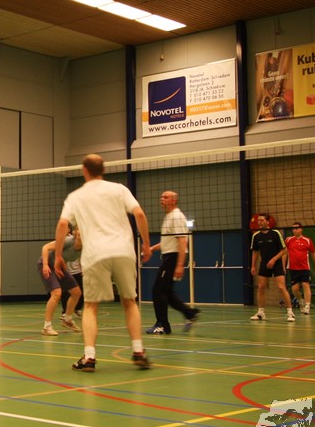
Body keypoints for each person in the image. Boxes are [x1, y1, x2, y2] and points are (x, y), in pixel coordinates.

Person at [54, 154, 152, 372]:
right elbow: (139, 214)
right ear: (103, 169)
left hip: (95, 254)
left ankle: (89, 357)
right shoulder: (119, 189)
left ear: (84, 170)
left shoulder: (75, 196)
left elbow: (62, 224)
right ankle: (138, 351)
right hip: (124, 251)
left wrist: (58, 255)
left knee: (90, 306)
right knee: (130, 302)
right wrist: (146, 244)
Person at [147, 190, 200, 334]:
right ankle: (190, 313)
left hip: (173, 258)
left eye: (165, 197)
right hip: (169, 256)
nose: (162, 199)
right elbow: (168, 241)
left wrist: (179, 265)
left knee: (158, 291)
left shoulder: (176, 216)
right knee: (167, 292)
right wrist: (152, 248)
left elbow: (182, 240)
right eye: (161, 197)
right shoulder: (169, 216)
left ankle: (162, 325)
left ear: (174, 200)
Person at [37, 227, 82, 336]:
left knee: (76, 292)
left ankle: (67, 319)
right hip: (47, 264)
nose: (81, 232)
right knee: (56, 293)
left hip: (59, 266)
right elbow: (45, 247)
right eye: (79, 229)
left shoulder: (86, 247)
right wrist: (45, 265)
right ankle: (47, 327)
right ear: (75, 232)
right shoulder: (67, 241)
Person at [249, 214, 294, 322]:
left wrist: (274, 259)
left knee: (281, 287)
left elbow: (284, 250)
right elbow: (255, 252)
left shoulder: (275, 233)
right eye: (258, 220)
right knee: (261, 287)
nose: (259, 222)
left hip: (276, 263)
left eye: (262, 220)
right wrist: (253, 265)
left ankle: (290, 312)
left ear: (267, 222)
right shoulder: (256, 236)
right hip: (264, 263)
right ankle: (261, 313)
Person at [285, 222, 315, 315]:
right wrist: (283, 265)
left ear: (301, 229)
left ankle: (307, 306)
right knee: (295, 289)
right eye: (293, 228)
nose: (294, 230)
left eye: (296, 228)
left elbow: (313, 253)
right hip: (292, 268)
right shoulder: (288, 240)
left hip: (304, 267)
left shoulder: (307, 240)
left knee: (305, 284)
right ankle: (301, 300)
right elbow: (284, 253)